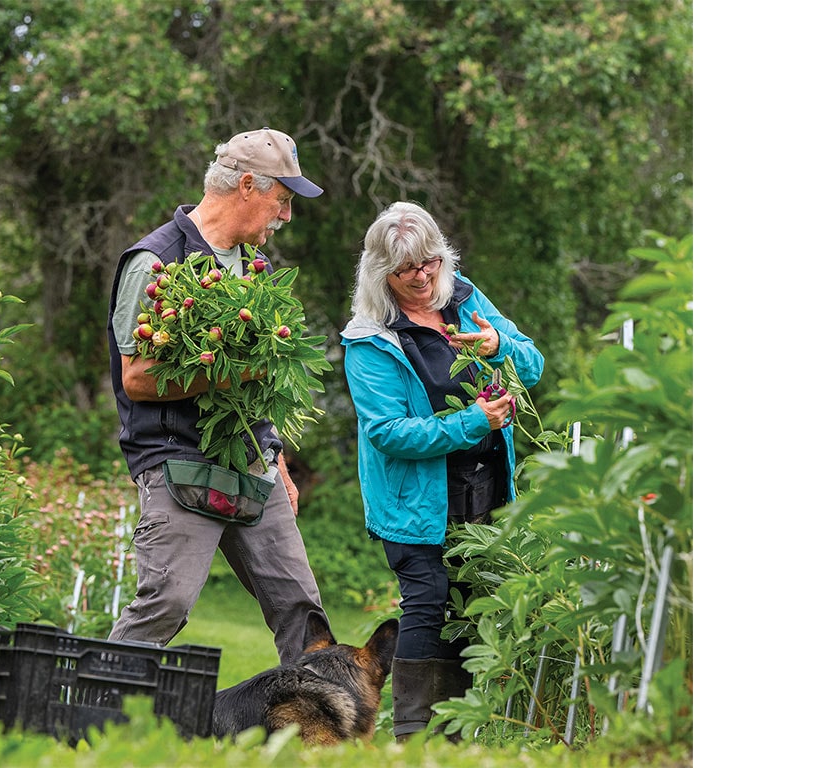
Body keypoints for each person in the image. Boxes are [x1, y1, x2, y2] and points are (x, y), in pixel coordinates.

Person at [106, 127, 330, 664]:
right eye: (283, 199)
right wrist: (226, 376)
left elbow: (264, 378)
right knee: (167, 603)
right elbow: (136, 377)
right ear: (248, 185)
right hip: (178, 462)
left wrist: (276, 459)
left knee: (302, 610)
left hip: (252, 465)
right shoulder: (156, 262)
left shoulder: (258, 271)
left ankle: (315, 738)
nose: (286, 215)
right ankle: (88, 716)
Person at [339, 201, 544, 740]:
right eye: (406, 269)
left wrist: (499, 346)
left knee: (470, 610)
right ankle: (413, 737)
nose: (422, 276)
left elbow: (533, 362)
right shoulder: (370, 339)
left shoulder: (465, 298)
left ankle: (452, 738)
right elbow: (389, 432)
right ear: (382, 274)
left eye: (429, 261)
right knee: (429, 603)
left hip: (484, 492)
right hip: (415, 504)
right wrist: (473, 421)